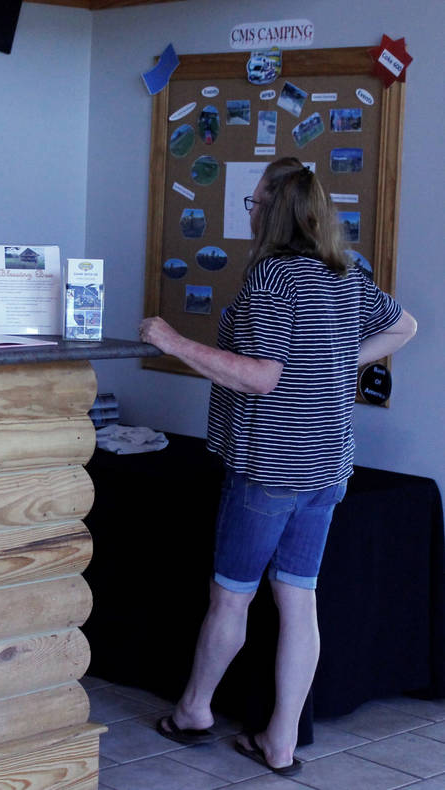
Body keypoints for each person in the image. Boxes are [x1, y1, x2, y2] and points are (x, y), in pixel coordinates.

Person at [140, 157, 417, 775]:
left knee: (230, 596)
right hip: (328, 467)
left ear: (272, 210)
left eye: (254, 201)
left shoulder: (272, 277)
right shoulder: (345, 275)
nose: (252, 209)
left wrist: (172, 342)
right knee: (299, 600)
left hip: (269, 468)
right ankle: (281, 743)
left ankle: (193, 711)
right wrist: (341, 361)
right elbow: (404, 325)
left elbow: (262, 377)